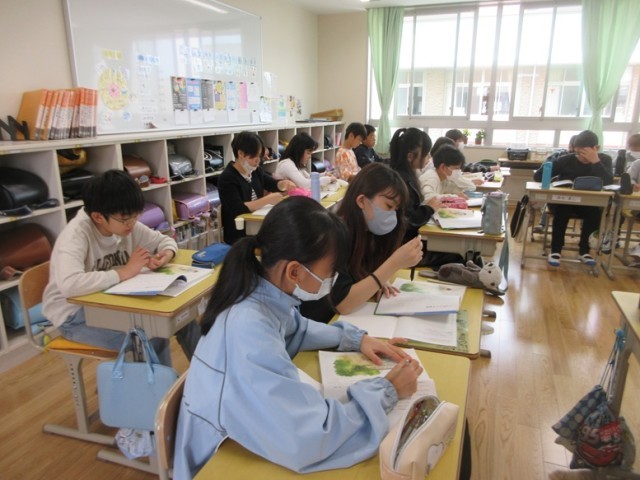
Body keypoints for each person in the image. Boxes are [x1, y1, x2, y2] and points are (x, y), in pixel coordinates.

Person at [173, 196, 422, 479]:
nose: (331, 280)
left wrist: (357, 339)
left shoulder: (262, 293)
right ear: (294, 271)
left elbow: (298, 329)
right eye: (329, 273)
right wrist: (387, 391)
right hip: (217, 461)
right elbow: (312, 436)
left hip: (239, 438)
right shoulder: (248, 329)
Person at [42, 170, 200, 365]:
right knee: (151, 337)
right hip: (74, 316)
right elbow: (70, 285)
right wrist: (124, 272)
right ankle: (164, 385)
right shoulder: (76, 236)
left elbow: (163, 240)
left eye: (136, 215)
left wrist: (166, 254)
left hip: (113, 301)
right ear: (98, 217)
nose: (132, 223)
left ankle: (211, 376)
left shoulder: (124, 224)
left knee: (183, 319)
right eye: (126, 219)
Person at [300, 163, 423, 324]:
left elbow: (359, 272)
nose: (393, 215)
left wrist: (379, 281)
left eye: (396, 209)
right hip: (321, 322)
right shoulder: (334, 236)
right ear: (362, 201)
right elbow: (342, 303)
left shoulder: (367, 232)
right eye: (388, 206)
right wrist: (391, 266)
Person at [533, 130, 613, 266]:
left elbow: (609, 183)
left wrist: (595, 162)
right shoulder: (566, 160)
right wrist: (548, 165)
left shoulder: (604, 160)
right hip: (563, 202)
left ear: (596, 148)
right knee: (562, 210)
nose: (581, 157)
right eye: (578, 153)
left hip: (588, 204)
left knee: (595, 212)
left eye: (585, 153)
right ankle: (556, 250)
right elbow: (538, 177)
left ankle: (584, 251)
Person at [389, 128, 464, 269]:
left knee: (455, 252)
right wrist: (429, 208)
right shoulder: (401, 180)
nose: (428, 157)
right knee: (457, 257)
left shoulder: (406, 175)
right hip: (403, 247)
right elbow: (408, 219)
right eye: (425, 154)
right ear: (410, 156)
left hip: (408, 241)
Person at [218, 131, 296, 245]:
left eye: (259, 156)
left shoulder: (255, 171)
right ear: (240, 154)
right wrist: (267, 200)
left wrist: (283, 184)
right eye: (254, 156)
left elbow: (272, 184)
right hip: (239, 234)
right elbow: (238, 209)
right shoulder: (227, 178)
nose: (258, 160)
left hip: (257, 226)